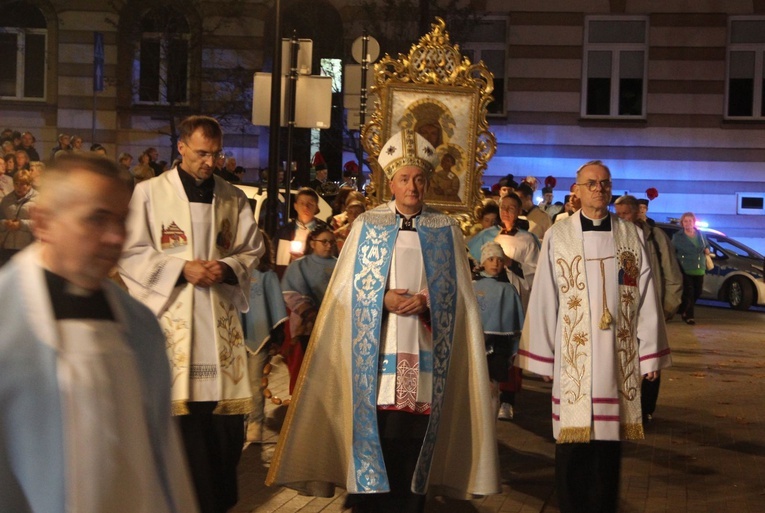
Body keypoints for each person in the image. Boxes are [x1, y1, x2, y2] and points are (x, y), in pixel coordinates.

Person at [266, 129, 500, 511]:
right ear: (390, 182)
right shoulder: (366, 226)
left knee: (415, 442)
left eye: (420, 179)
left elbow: (462, 297)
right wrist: (382, 297)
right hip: (376, 362)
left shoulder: (445, 230)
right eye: (405, 179)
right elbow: (342, 295)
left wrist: (428, 300)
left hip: (426, 357)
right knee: (379, 437)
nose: (413, 186)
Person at [0, 152, 199, 513]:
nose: (115, 238)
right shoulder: (7, 319)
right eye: (97, 219)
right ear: (43, 222)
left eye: (123, 221)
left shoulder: (139, 325)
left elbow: (164, 454)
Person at [118, 115, 264, 513]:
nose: (210, 162)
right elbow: (130, 251)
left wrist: (227, 267)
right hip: (173, 322)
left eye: (216, 154)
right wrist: (181, 269)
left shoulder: (233, 197)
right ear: (181, 147)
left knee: (221, 433)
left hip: (218, 326)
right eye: (202, 153)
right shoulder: (149, 194)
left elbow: (252, 249)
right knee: (178, 430)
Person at [517, 160, 671, 513]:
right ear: (578, 190)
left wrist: (649, 355)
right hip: (574, 360)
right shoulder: (560, 235)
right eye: (591, 183)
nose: (599, 189)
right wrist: (543, 355)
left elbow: (645, 297)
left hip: (617, 361)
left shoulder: (630, 235)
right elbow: (544, 295)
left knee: (607, 452)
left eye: (604, 183)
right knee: (573, 451)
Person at [615, 194, 682, 423]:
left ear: (636, 212)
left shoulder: (654, 237)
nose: (621, 218)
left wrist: (668, 306)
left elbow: (671, 272)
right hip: (624, 310)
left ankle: (646, 409)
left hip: (652, 305)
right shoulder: (614, 236)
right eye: (618, 213)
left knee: (652, 358)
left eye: (625, 213)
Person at [280, 225, 338, 392]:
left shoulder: (341, 264)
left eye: (332, 242)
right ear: (313, 243)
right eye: (324, 241)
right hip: (308, 325)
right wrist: (310, 312)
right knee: (309, 368)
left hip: (335, 325)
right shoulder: (299, 265)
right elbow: (290, 292)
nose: (329, 245)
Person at [242, 233, 287, 443]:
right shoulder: (234, 272)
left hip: (258, 335)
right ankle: (239, 421)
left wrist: (276, 338)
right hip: (233, 335)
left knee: (254, 382)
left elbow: (275, 306)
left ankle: (255, 422)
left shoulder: (266, 275)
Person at [472, 241, 525, 420]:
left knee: (493, 386)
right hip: (476, 341)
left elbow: (514, 321)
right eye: (491, 259)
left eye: (500, 260)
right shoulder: (473, 286)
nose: (495, 264)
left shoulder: (508, 289)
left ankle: (490, 423)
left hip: (500, 346)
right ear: (483, 262)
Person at [274, 187, 329, 275]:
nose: (305, 207)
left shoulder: (323, 233)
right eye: (301, 203)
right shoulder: (284, 232)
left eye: (310, 204)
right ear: (295, 206)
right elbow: (274, 259)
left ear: (316, 208)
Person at [671, 212, 710, 326]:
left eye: (690, 221)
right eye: (685, 221)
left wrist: (707, 249)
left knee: (698, 292)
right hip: (685, 268)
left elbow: (706, 245)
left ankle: (683, 309)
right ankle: (689, 316)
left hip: (699, 267)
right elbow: (672, 250)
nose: (688, 223)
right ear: (682, 223)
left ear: (694, 222)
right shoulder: (678, 236)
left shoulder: (701, 235)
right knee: (689, 292)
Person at [0, 170, 38, 264]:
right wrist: (5, 223)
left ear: (29, 185)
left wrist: (21, 224)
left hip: (28, 248)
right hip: (7, 247)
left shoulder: (38, 199)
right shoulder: (6, 200)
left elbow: (41, 224)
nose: (19, 187)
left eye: (22, 184)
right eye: (16, 184)